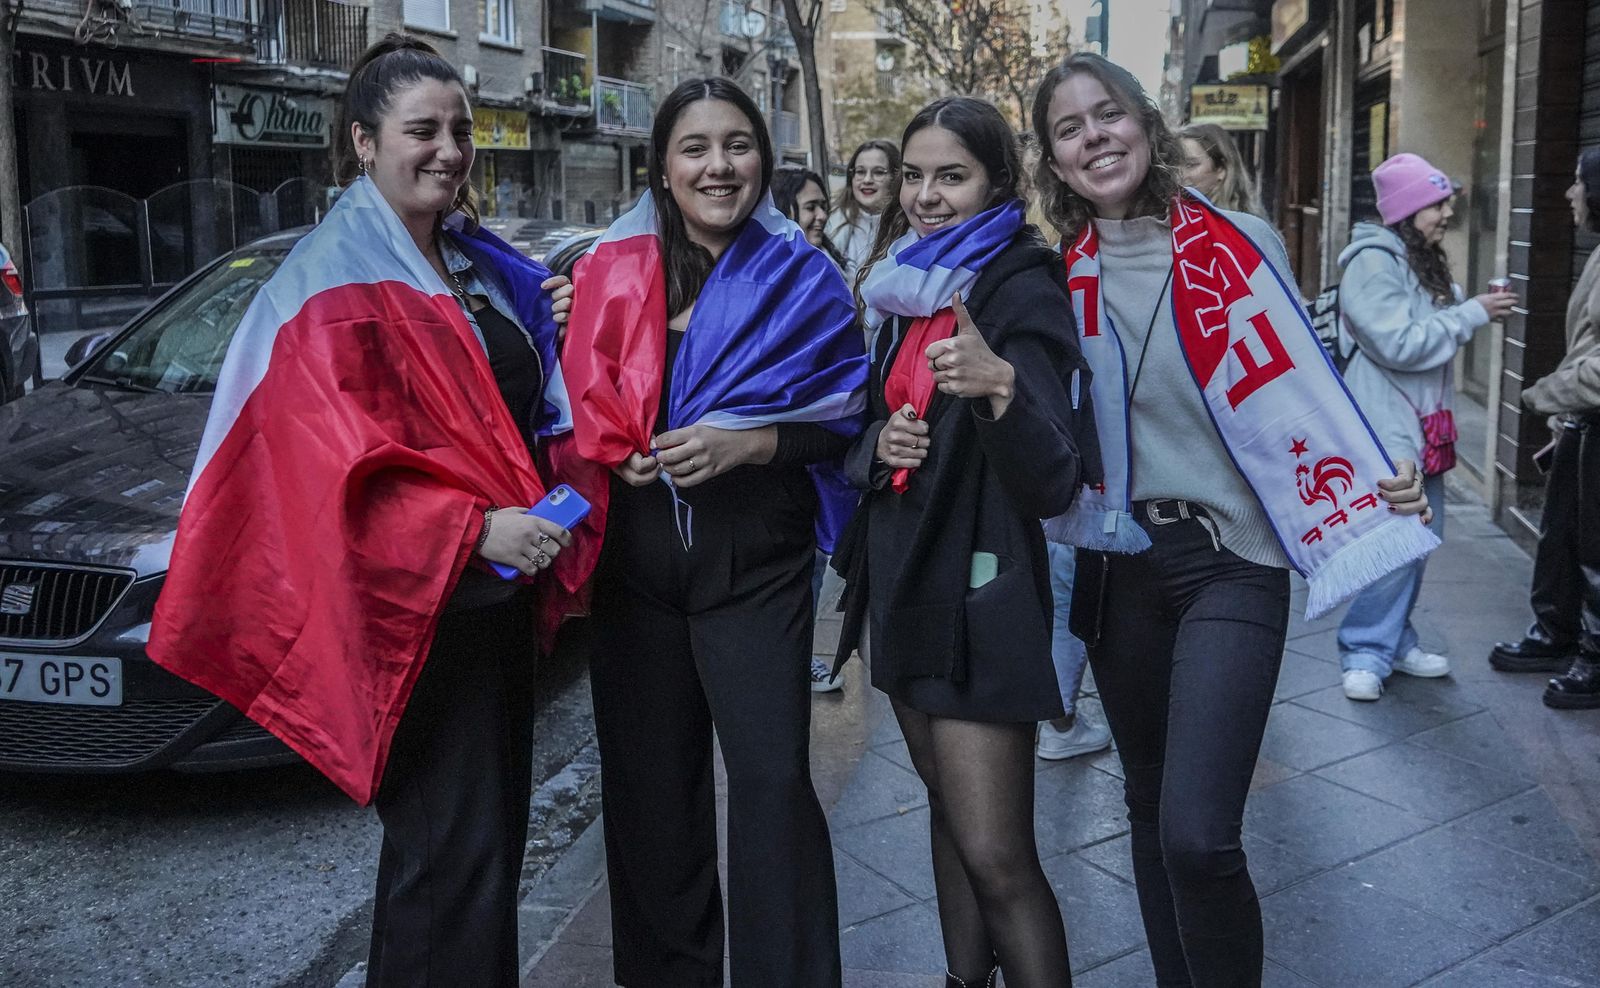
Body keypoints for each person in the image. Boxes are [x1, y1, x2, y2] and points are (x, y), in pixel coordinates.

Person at [147, 34, 577, 987]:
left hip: (492, 603)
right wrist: (470, 528)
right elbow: (324, 472)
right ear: (362, 143)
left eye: (461, 130)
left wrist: (551, 318)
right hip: (416, 608)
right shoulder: (328, 282)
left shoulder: (471, 264)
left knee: (485, 848)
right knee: (444, 858)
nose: (450, 150)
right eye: (422, 130)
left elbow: (517, 403)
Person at [1030, 53, 1435, 987]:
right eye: (1069, 127)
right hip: (1118, 559)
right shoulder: (1056, 275)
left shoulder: (1238, 240)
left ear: (1146, 124)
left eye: (1109, 114)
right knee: (1144, 808)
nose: (1095, 136)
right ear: (1054, 161)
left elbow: (1307, 375)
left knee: (1199, 836)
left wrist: (1384, 468)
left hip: (1231, 558)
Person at [559, 77, 866, 986]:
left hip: (755, 568)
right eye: (695, 147)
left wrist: (754, 441)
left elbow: (845, 415)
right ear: (661, 165)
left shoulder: (805, 274)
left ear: (763, 163)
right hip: (636, 570)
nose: (718, 165)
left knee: (772, 789)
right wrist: (611, 451)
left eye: (738, 145)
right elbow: (562, 412)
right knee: (651, 800)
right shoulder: (604, 274)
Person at [834, 94, 1092, 988]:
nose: (926, 196)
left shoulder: (1020, 284)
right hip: (902, 578)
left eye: (952, 177)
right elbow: (861, 426)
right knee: (945, 811)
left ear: (998, 184)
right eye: (914, 176)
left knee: (997, 853)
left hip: (981, 591)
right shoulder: (904, 281)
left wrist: (1001, 387)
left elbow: (1055, 476)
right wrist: (877, 446)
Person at [1334, 152, 1516, 701]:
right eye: (1438, 203)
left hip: (1420, 425)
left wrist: (1464, 309)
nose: (1446, 213)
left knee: (1418, 539)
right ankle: (1364, 650)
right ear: (1408, 209)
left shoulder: (1417, 258)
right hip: (1388, 426)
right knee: (1397, 538)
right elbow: (1398, 344)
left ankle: (1393, 638)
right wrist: (1473, 312)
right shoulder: (1372, 262)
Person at [1491, 149, 1600, 710]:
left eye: (1579, 181)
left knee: (1595, 547)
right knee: (1561, 538)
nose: (1570, 193)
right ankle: (1555, 636)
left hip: (1591, 416)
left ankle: (1595, 656)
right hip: (1582, 419)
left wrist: (1542, 397)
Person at [828, 138, 900, 281]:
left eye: (878, 172)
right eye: (860, 172)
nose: (867, 180)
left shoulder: (909, 228)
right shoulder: (829, 224)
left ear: (895, 177)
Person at [1178, 123, 1265, 216]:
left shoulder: (1249, 227)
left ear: (1221, 169)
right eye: (1171, 164)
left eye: (1191, 165)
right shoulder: (1168, 220)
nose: (1179, 174)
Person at [773, 163, 847, 269]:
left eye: (823, 206)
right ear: (783, 211)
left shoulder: (831, 258)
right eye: (810, 207)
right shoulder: (776, 272)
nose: (823, 216)